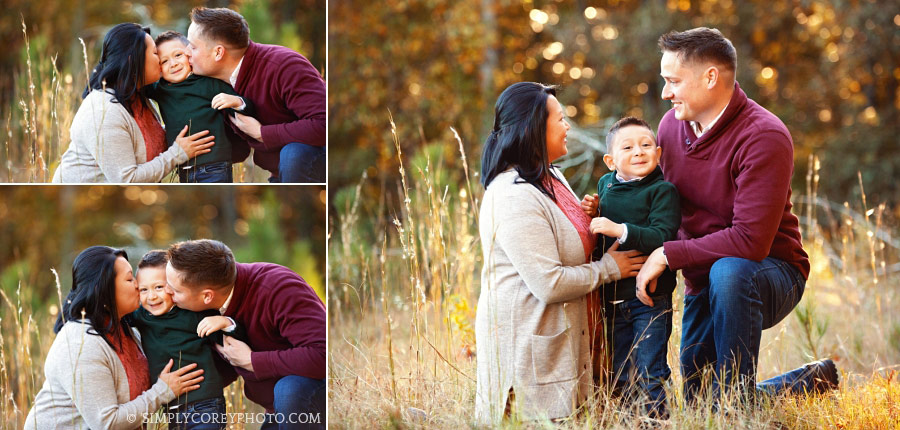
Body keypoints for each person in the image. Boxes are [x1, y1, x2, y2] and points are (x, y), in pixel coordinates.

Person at [634, 27, 838, 402]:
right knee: (701, 403)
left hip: (768, 272)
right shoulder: (669, 127)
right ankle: (805, 382)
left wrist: (667, 254)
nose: (666, 92)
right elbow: (655, 202)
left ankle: (735, 411)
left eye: (673, 81)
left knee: (729, 270)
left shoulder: (764, 136)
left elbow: (750, 240)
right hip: (703, 279)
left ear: (710, 77)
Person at [474, 82, 647, 425]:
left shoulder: (549, 176)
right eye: (561, 119)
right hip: (531, 353)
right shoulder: (512, 195)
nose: (568, 126)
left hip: (566, 342)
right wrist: (609, 268)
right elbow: (549, 283)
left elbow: (568, 240)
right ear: (534, 126)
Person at [24, 246, 205, 429]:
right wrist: (162, 392)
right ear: (104, 288)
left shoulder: (124, 329)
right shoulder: (82, 344)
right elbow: (107, 423)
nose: (137, 284)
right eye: (129, 278)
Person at [163, 239, 326, 430]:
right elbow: (218, 369)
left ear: (207, 296)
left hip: (312, 398)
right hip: (277, 411)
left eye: (174, 289)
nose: (166, 291)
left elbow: (322, 355)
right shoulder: (200, 305)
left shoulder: (279, 289)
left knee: (289, 388)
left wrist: (251, 361)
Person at [580, 116, 680, 418]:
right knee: (620, 372)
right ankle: (627, 421)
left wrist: (619, 228)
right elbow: (604, 220)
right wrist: (595, 210)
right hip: (611, 299)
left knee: (651, 370)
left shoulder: (663, 191)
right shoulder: (606, 184)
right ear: (611, 160)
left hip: (648, 300)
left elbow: (663, 235)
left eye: (646, 145)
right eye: (628, 147)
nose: (638, 151)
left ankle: (656, 422)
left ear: (659, 154)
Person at [52, 23, 216, 183]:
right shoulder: (104, 111)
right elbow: (127, 179)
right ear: (134, 60)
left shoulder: (136, 95)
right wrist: (177, 153)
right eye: (155, 53)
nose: (161, 60)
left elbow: (150, 139)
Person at [185, 7, 326, 183]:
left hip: (321, 165)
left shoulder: (284, 66)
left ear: (218, 52)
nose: (186, 52)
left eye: (193, 46)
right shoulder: (215, 82)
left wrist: (261, 133)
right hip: (281, 175)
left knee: (294, 153)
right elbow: (237, 150)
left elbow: (324, 124)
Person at [131, 250, 248, 429]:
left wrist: (225, 322)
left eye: (159, 287)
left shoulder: (194, 314)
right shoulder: (141, 317)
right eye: (143, 290)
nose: (151, 296)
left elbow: (234, 339)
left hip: (206, 405)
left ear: (172, 285)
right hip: (172, 411)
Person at [145, 31, 256, 183]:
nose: (173, 64)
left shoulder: (208, 82)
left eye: (178, 55)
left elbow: (247, 107)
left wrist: (236, 101)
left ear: (189, 54)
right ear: (158, 68)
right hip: (183, 168)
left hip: (215, 165)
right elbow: (133, 81)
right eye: (164, 62)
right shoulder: (161, 89)